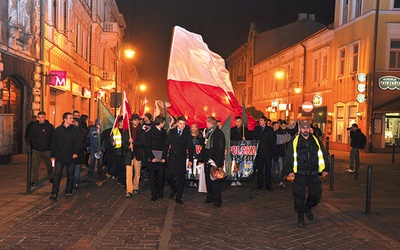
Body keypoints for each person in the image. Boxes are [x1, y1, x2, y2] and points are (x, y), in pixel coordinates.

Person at [284, 120, 330, 227]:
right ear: (300, 129)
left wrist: (326, 168)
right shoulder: (294, 142)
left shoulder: (316, 141)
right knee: (299, 196)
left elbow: (323, 154)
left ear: (310, 129)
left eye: (307, 128)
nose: (305, 130)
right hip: (299, 174)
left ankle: (308, 207)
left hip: (313, 173)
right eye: (303, 128)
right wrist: (289, 171)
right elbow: (289, 157)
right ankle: (301, 217)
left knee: (316, 195)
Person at [162, 116, 194, 204]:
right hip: (172, 157)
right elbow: (166, 145)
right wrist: (164, 157)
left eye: (184, 124)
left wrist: (190, 159)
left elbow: (190, 147)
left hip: (181, 158)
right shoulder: (172, 132)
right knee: (169, 176)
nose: (182, 126)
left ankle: (179, 196)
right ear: (177, 124)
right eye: (180, 124)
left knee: (181, 178)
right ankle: (174, 189)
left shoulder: (187, 133)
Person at [50, 112, 80, 200]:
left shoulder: (75, 130)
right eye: (70, 118)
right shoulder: (58, 130)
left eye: (72, 118)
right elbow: (54, 144)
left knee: (70, 175)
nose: (72, 120)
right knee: (57, 175)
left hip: (71, 156)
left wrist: (76, 153)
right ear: (65, 119)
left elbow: (78, 143)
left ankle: (68, 191)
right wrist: (53, 156)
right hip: (60, 156)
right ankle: (54, 193)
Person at [202, 116, 226, 208]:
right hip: (208, 160)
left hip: (214, 162)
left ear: (210, 123)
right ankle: (210, 197)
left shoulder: (218, 134)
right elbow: (205, 146)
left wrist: (216, 161)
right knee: (208, 181)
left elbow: (220, 149)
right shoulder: (208, 133)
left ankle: (217, 200)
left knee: (216, 182)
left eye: (207, 123)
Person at [144, 115, 167, 201]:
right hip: (153, 158)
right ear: (161, 123)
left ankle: (160, 192)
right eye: (164, 122)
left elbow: (165, 145)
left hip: (162, 157)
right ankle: (154, 194)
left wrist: (164, 157)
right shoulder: (150, 133)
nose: (164, 124)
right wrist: (152, 157)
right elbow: (147, 147)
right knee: (153, 177)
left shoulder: (164, 132)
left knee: (161, 176)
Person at [29, 111, 54, 186]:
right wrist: (33, 146)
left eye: (42, 117)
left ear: (45, 117)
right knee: (35, 166)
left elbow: (52, 138)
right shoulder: (34, 126)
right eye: (39, 117)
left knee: (49, 166)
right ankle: (34, 180)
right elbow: (31, 137)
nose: (40, 119)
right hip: (36, 150)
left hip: (47, 150)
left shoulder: (50, 127)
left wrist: (50, 147)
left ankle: (51, 178)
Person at [123, 114, 145, 197]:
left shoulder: (141, 131)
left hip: (138, 154)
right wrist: (128, 146)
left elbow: (143, 142)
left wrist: (134, 143)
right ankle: (129, 190)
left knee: (137, 172)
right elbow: (123, 143)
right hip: (129, 155)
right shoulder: (127, 132)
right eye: (135, 120)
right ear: (131, 121)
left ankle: (135, 187)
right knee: (129, 173)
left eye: (137, 120)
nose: (136, 121)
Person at [252, 116, 276, 190]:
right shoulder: (256, 129)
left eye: (261, 120)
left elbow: (273, 141)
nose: (260, 122)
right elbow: (253, 138)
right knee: (260, 169)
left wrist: (273, 152)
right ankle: (260, 184)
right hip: (259, 152)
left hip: (268, 152)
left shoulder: (270, 130)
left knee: (268, 169)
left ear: (265, 121)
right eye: (259, 120)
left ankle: (268, 185)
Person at [230, 116, 251, 186]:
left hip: (241, 150)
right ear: (235, 122)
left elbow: (249, 140)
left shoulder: (245, 130)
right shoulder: (232, 130)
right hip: (234, 150)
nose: (238, 123)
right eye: (237, 121)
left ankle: (238, 178)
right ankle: (233, 178)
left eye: (239, 121)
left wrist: (245, 139)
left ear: (241, 122)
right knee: (234, 164)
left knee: (239, 164)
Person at [72, 118, 88, 189]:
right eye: (73, 122)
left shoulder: (83, 132)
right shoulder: (70, 131)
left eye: (75, 122)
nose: (74, 123)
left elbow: (86, 142)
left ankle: (76, 182)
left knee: (77, 170)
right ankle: (71, 183)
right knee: (70, 170)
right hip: (70, 153)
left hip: (79, 153)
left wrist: (82, 147)